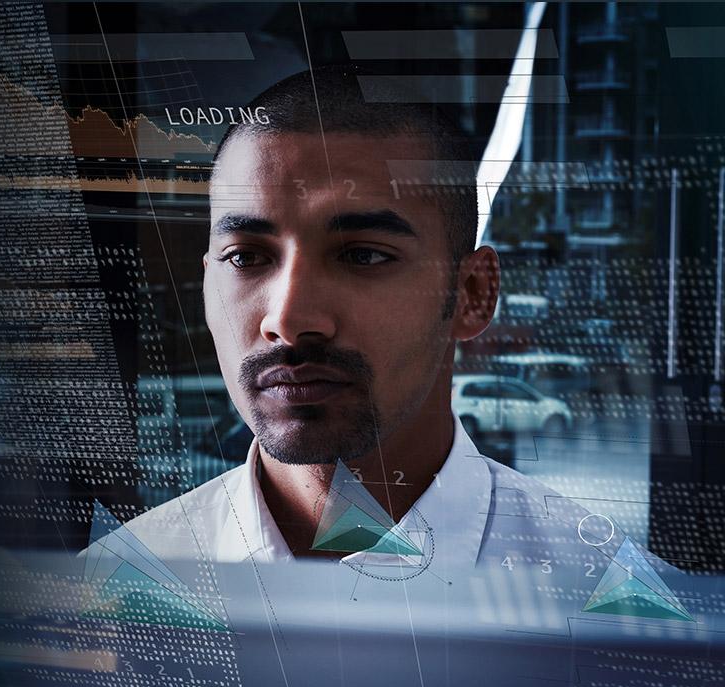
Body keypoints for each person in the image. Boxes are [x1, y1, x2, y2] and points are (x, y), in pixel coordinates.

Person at [101, 66, 671, 587]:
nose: (289, 319)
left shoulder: (617, 607)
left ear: (472, 294)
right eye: (246, 258)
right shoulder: (108, 588)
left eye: (363, 256)